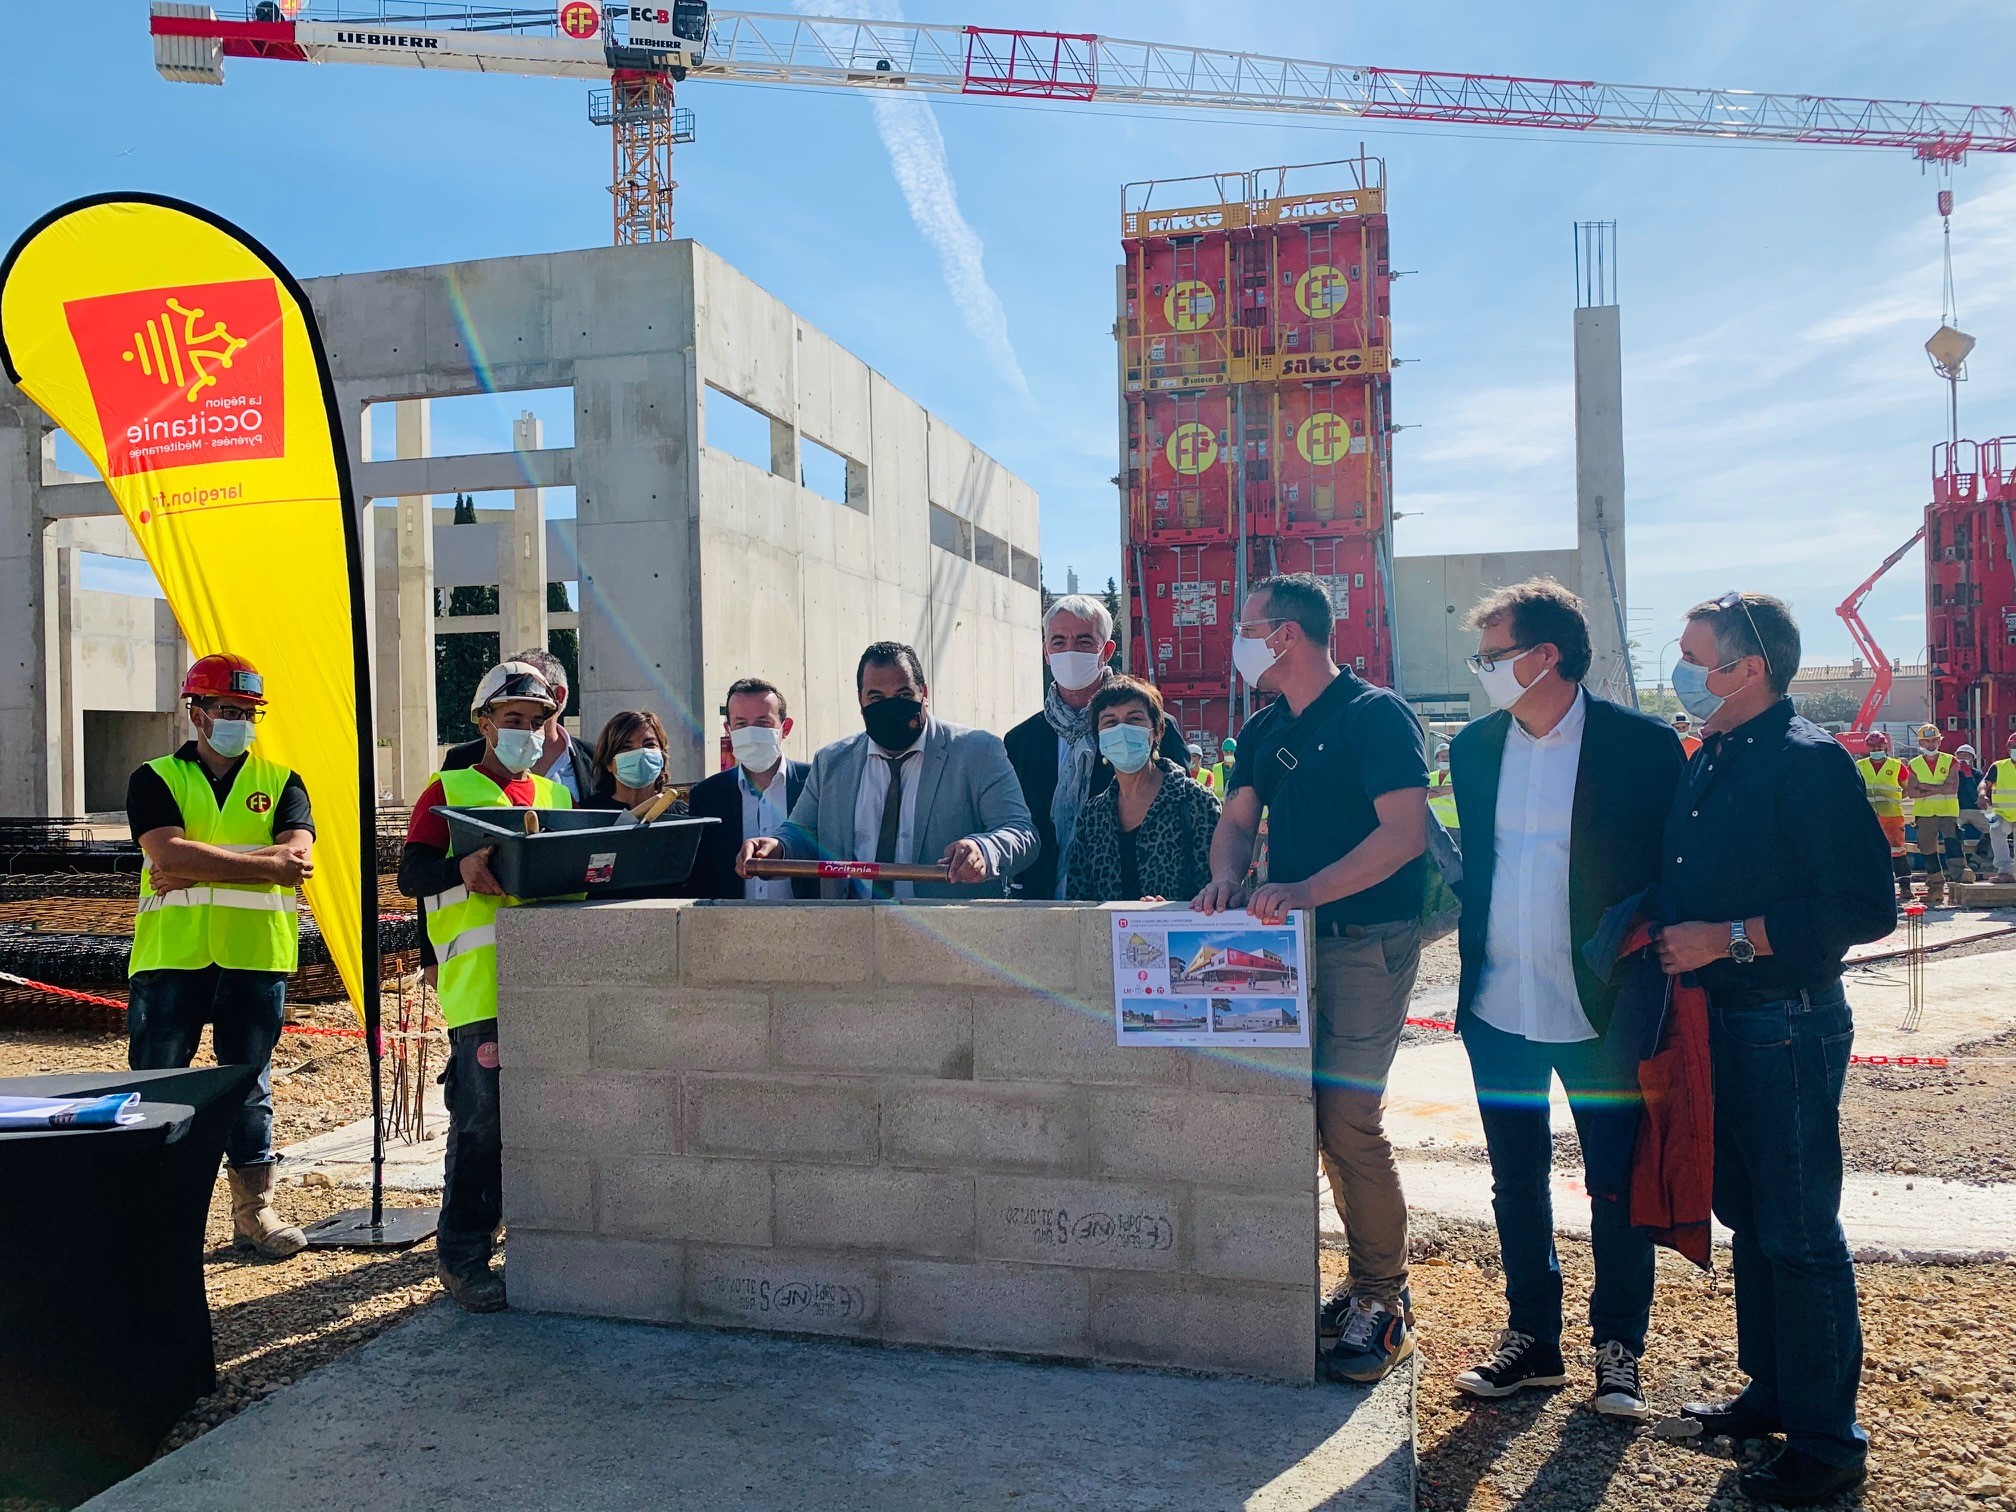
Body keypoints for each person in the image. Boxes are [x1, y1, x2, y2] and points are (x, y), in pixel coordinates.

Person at [1655, 591, 1893, 1505]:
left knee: (1798, 1232)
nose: (1683, 671)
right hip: (1720, 1024)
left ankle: (1829, 1443)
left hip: (1782, 1019)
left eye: (1694, 655)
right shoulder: (1714, 754)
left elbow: (1863, 907)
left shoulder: (1807, 763)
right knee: (1751, 1219)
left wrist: (1732, 938)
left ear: (1748, 668)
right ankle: (1775, 1394)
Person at [1446, 580, 1685, 1417]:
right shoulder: (1474, 750)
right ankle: (1533, 1340)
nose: (1483, 670)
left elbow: (1670, 874)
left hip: (1604, 1007)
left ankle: (1619, 1349)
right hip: (1499, 1003)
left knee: (1616, 1181)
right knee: (1516, 1181)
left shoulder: (1643, 749)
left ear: (1546, 656)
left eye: (1493, 654)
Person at [1189, 573, 1427, 1385]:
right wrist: (1226, 878)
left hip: (1365, 940)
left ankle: (1381, 1296)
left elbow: (1403, 836)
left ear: (1286, 635)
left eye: (1245, 626)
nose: (1238, 642)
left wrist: (1305, 891)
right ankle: (1355, 1281)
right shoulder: (1261, 729)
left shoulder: (1375, 716)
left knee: (1350, 1118)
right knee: (1301, 1115)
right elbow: (1236, 821)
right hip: (1284, 948)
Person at [126, 653, 314, 1260]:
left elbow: (297, 863)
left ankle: (253, 1214)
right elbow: (168, 857)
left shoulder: (284, 781)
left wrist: (194, 864)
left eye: (247, 712)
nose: (239, 721)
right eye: (227, 710)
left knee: (248, 1086)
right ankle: (154, 1216)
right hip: (171, 957)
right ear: (197, 713)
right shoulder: (154, 777)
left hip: (255, 957)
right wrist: (263, 868)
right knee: (158, 1084)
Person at [399, 662, 574, 1312]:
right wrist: (460, 867)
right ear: (484, 722)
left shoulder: (554, 797)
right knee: (480, 1124)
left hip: (549, 987)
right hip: (480, 986)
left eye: (536, 723)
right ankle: (463, 1254)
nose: (525, 734)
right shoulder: (448, 787)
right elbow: (411, 874)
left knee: (540, 1121)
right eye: (513, 721)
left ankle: (522, 1241)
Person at [738, 641, 1036, 899]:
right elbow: (801, 832)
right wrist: (776, 846)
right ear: (860, 700)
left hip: (948, 939)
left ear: (925, 693)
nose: (890, 707)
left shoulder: (978, 752)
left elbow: (1022, 833)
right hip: (852, 936)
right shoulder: (831, 762)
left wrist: (984, 849)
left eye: (904, 695)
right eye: (876, 698)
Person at [1002, 596, 1186, 899]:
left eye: (1084, 641)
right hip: (1039, 906)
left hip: (1127, 909)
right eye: (1058, 642)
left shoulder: (1150, 730)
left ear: (1107, 651)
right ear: (1046, 652)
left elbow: (1181, 820)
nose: (1069, 652)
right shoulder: (1022, 741)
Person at [1061, 677, 1219, 903]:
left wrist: (1171, 913)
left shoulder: (1196, 803)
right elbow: (1079, 900)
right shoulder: (1092, 816)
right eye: (1110, 721)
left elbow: (1218, 894)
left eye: (1134, 719)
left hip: (1179, 937)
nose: (1122, 729)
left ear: (1155, 732)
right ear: (1099, 737)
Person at [682, 679, 816, 901]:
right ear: (729, 730)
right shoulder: (707, 795)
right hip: (731, 929)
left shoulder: (815, 783)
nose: (752, 733)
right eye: (741, 724)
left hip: (808, 925)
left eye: (763, 723)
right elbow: (701, 879)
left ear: (786, 728)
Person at [442, 646, 598, 801]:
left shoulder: (597, 762)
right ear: (485, 725)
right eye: (515, 721)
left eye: (536, 722)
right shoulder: (458, 764)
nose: (526, 730)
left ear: (558, 696)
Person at [1902, 722, 1962, 905]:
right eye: (1926, 741)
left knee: (1953, 842)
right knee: (1928, 850)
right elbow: (1911, 792)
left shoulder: (1951, 760)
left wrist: (1925, 787)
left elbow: (1952, 788)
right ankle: (1936, 886)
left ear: (1939, 741)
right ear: (1920, 742)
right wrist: (1940, 788)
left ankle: (1960, 877)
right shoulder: (1914, 764)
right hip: (1925, 813)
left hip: (1947, 811)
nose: (1930, 744)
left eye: (1934, 740)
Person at [584, 708, 675, 813]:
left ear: (662, 754)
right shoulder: (587, 814)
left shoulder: (685, 815)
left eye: (649, 744)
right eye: (626, 747)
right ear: (608, 762)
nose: (640, 753)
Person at [1855, 731, 1910, 900]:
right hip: (1868, 815)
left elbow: (1907, 787)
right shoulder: (1860, 766)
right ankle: (1871, 887)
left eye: (1879, 746)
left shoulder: (1896, 766)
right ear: (1868, 747)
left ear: (1885, 746)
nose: (1877, 749)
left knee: (1898, 850)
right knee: (1868, 851)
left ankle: (1905, 887)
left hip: (1891, 815)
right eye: (1873, 746)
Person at [1985, 732, 2016, 883]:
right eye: (2013, 746)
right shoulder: (1998, 767)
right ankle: (2004, 871)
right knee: (1996, 830)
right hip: (2001, 813)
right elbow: (1985, 783)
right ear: (2008, 748)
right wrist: (1981, 794)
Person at [1956, 744, 1989, 881]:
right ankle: (1960, 863)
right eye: (1960, 754)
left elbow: (1974, 795)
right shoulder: (1951, 772)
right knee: (1951, 833)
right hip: (1957, 810)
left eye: (1966, 755)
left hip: (1975, 810)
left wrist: (1968, 776)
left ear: (1972, 758)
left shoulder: (1977, 774)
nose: (1963, 757)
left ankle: (1976, 859)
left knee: (1993, 830)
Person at [1427, 745, 1458, 841]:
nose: (1445, 758)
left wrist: (1434, 790)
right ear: (1437, 759)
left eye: (1447, 755)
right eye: (1442, 756)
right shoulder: (1430, 776)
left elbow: (1452, 789)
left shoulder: (1458, 776)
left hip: (1454, 826)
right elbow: (1425, 794)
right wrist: (1444, 790)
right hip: (1435, 825)